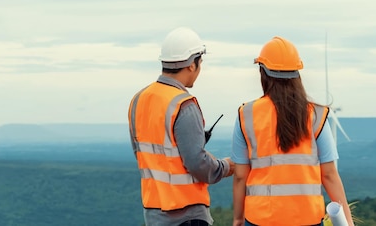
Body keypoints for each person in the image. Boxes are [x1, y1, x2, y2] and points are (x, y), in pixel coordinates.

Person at [231, 36, 355, 226]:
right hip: (308, 219)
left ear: (262, 72)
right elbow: (329, 174)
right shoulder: (316, 115)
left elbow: (240, 176)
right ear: (297, 74)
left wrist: (238, 218)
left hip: (260, 219)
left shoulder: (246, 114)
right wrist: (347, 221)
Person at [128, 27, 234, 226]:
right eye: (200, 62)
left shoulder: (138, 100)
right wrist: (226, 166)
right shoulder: (183, 104)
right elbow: (197, 164)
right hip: (187, 216)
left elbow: (148, 156)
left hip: (154, 214)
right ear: (192, 65)